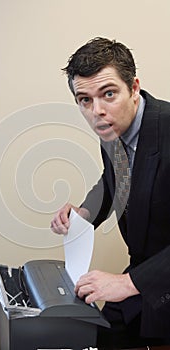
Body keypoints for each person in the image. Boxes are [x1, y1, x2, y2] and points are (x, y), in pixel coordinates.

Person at [51, 37, 170, 349]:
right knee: (97, 336)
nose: (97, 112)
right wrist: (85, 213)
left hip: (156, 279)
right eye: (84, 100)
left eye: (108, 94)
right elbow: (113, 180)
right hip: (146, 273)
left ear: (133, 88)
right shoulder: (114, 128)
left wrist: (126, 283)